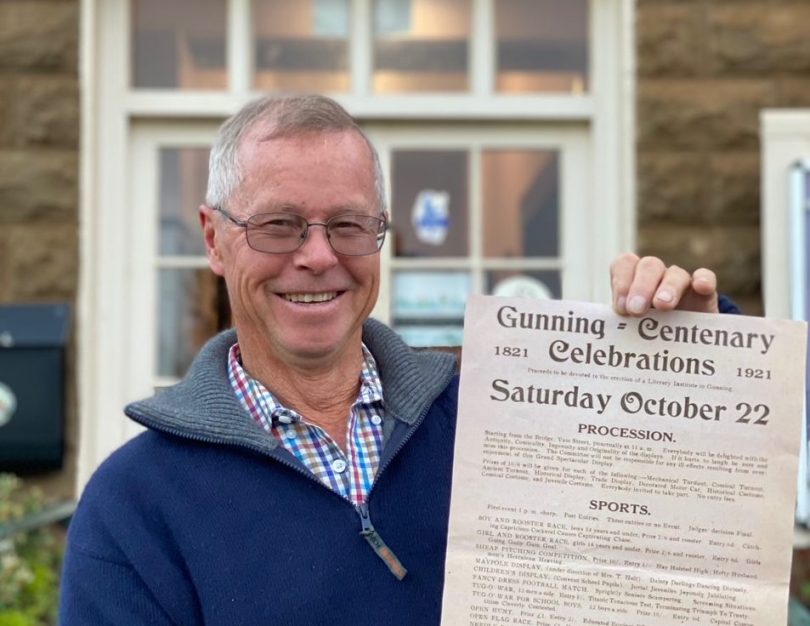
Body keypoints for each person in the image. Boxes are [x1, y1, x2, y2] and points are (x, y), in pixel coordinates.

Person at [59, 94, 737, 625]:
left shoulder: (504, 429)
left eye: (349, 224)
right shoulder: (135, 505)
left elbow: (675, 526)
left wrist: (691, 348)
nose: (318, 256)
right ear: (215, 238)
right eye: (278, 225)